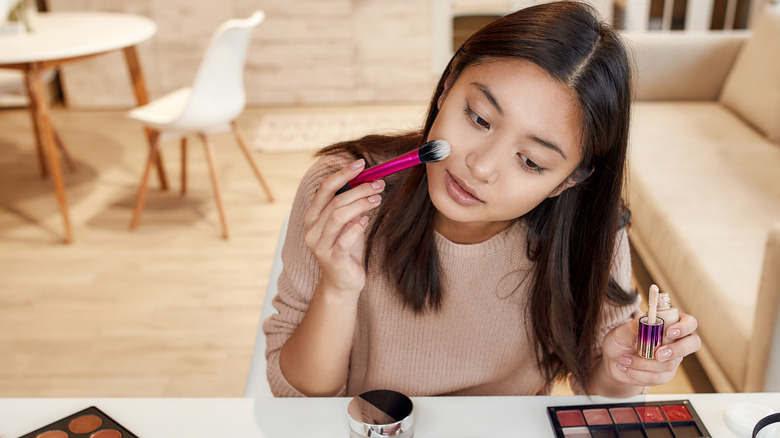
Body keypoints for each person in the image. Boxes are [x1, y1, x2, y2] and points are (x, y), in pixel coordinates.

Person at [263, 0, 701, 397]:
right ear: (450, 82)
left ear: (567, 182)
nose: (481, 167)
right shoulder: (345, 186)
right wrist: (338, 289)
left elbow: (599, 391)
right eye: (478, 117)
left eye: (530, 161)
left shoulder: (590, 230)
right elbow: (297, 395)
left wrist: (623, 370)